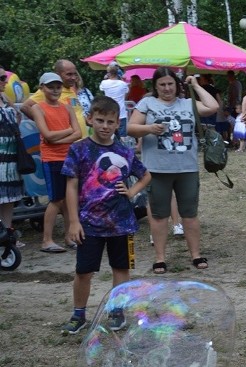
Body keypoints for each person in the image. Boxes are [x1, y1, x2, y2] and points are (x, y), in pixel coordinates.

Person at [60, 96, 151, 335]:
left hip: (121, 223)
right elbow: (70, 186)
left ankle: (116, 310)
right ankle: (78, 314)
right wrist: (73, 221)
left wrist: (131, 192)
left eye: (110, 122)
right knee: (83, 271)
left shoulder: (124, 150)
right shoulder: (78, 149)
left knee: (120, 268)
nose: (104, 126)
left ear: (116, 123)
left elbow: (145, 175)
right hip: (88, 224)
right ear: (90, 118)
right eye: (99, 120)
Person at [127, 67, 219, 274]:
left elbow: (213, 106)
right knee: (159, 215)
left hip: (187, 168)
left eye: (171, 84)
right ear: (156, 87)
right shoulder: (147, 103)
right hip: (157, 170)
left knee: (190, 214)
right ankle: (160, 258)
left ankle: (195, 254)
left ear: (177, 86)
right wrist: (149, 129)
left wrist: (195, 85)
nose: (167, 88)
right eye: (162, 85)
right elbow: (130, 127)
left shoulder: (188, 104)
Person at [31, 72, 82, 253]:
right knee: (56, 199)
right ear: (42, 88)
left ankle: (70, 236)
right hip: (52, 159)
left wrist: (58, 139)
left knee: (69, 198)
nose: (55, 90)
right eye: (50, 87)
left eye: (58, 87)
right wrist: (67, 132)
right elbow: (47, 135)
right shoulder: (38, 108)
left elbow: (77, 133)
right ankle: (47, 240)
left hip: (68, 157)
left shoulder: (67, 107)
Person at [22, 59, 85, 142]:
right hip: (63, 144)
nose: (73, 78)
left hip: (80, 142)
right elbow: (25, 107)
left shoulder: (71, 90)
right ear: (58, 74)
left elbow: (77, 113)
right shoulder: (48, 90)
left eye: (75, 74)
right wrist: (45, 124)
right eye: (69, 74)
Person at [0, 66, 25, 239]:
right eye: (2, 78)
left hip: (11, 156)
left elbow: (17, 115)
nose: (6, 81)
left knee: (9, 197)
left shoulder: (4, 98)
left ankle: (7, 233)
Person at [99, 63, 129, 138]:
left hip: (108, 112)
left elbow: (101, 89)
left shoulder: (104, 83)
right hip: (121, 113)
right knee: (122, 137)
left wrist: (106, 78)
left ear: (108, 73)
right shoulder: (122, 84)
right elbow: (127, 92)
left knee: (108, 136)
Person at [224, 70, 242, 143]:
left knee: (233, 122)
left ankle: (235, 139)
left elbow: (233, 95)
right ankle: (234, 139)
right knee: (234, 122)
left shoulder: (234, 84)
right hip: (236, 105)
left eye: (228, 76)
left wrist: (230, 105)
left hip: (234, 106)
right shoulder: (237, 83)